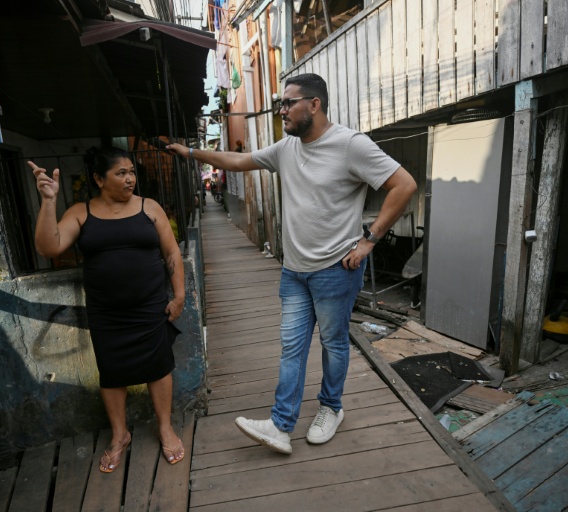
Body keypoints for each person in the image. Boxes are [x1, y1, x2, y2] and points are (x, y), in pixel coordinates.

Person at [167, 73, 416, 454]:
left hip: (337, 268)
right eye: (281, 103)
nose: (281, 110)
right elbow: (237, 160)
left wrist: (369, 241)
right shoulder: (286, 148)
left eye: (288, 103)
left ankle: (331, 408)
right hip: (294, 271)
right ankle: (281, 425)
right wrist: (192, 154)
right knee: (291, 348)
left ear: (314, 104)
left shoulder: (351, 145)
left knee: (333, 344)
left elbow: (404, 185)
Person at [29, 147, 186, 472]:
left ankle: (165, 427)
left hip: (150, 308)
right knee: (112, 373)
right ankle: (120, 435)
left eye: (131, 172)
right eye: (121, 173)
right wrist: (48, 201)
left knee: (159, 367)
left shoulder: (149, 208)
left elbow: (171, 252)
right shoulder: (81, 212)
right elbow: (49, 247)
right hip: (107, 313)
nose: (130, 179)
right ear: (100, 179)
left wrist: (180, 295)